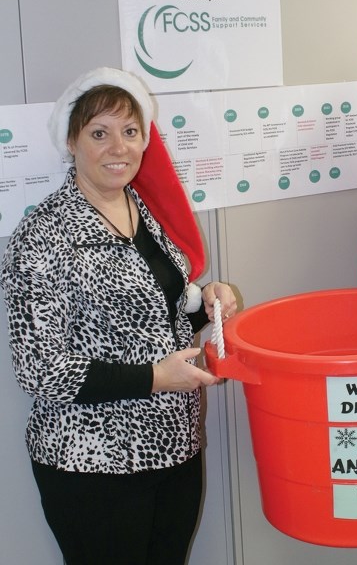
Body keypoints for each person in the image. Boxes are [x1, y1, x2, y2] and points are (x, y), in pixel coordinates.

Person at [0, 67, 237, 565]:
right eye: (99, 133)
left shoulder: (141, 212)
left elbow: (157, 312)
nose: (118, 148)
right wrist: (154, 378)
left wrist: (205, 302)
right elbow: (40, 370)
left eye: (130, 132)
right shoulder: (40, 239)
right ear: (71, 140)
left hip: (174, 444)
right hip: (92, 461)